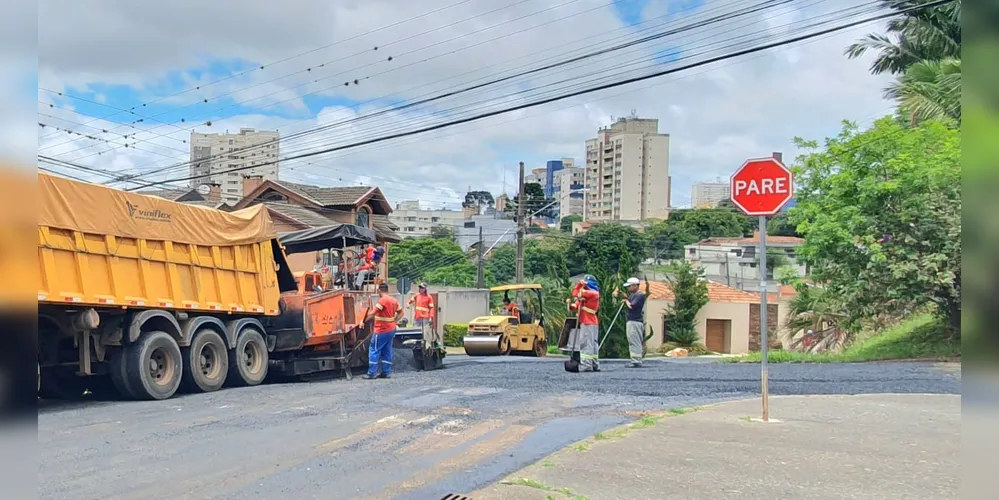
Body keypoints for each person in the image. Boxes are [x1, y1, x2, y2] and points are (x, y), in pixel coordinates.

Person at [364, 282, 403, 379]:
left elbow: (373, 313)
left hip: (381, 330)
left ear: (379, 291)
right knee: (387, 350)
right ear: (388, 290)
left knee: (374, 349)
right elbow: (401, 313)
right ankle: (386, 372)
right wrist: (394, 321)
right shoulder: (393, 300)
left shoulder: (382, 301)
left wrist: (363, 320)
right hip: (391, 329)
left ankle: (372, 373)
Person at [568, 275, 601, 372]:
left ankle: (586, 365)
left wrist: (579, 285)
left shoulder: (593, 293)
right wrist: (570, 305)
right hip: (590, 322)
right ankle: (594, 364)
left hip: (588, 322)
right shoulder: (585, 297)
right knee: (593, 344)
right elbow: (576, 305)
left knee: (586, 343)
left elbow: (575, 293)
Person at [614, 277, 647, 368]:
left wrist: (625, 301)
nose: (628, 288)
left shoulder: (639, 295)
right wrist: (625, 297)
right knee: (632, 340)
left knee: (634, 340)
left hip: (635, 321)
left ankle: (636, 361)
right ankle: (635, 359)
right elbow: (630, 302)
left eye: (630, 286)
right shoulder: (633, 295)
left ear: (635, 285)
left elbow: (632, 306)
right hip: (632, 321)